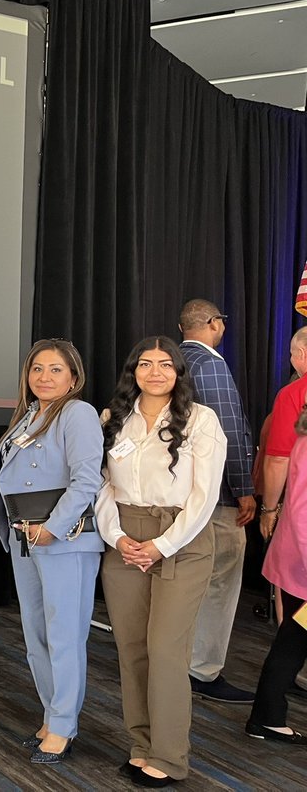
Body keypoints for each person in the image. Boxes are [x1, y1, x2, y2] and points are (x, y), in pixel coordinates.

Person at [97, 336, 226, 787]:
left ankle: (170, 757)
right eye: (146, 364)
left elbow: (204, 496)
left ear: (178, 372)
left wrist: (161, 546)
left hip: (182, 540)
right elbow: (102, 488)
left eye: (166, 364)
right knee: (132, 649)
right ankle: (141, 744)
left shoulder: (202, 420)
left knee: (167, 650)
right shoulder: (113, 419)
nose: (156, 372)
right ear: (133, 370)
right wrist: (116, 536)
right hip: (125, 540)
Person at [0, 339, 103, 764]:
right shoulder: (28, 416)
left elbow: (86, 480)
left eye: (56, 370)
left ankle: (63, 726)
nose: (45, 377)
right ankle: (51, 713)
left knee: (64, 635)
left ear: (74, 377)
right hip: (25, 538)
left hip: (64, 541)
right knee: (36, 636)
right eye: (38, 369)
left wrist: (53, 529)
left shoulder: (77, 414)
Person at [178, 300, 256, 703]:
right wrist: (244, 489)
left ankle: (177, 663)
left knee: (184, 581)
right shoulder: (212, 365)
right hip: (219, 497)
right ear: (214, 324)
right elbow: (228, 433)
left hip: (176, 495)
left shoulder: (167, 362)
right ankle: (203, 672)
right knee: (220, 582)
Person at [247, 403, 307, 743]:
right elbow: (301, 512)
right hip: (303, 564)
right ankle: (266, 717)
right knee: (293, 640)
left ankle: (266, 717)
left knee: (293, 640)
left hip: (295, 560)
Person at [260, 328, 307, 545]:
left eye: (291, 354)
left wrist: (269, 509)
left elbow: (279, 459)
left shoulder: (293, 393)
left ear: (302, 353)